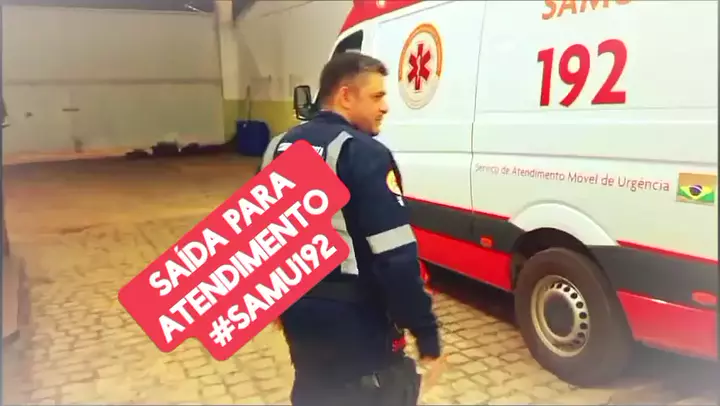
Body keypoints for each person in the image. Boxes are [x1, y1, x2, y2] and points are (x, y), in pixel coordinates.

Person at [258, 52, 445, 406]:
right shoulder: (364, 153)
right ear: (345, 96)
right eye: (377, 96)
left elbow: (264, 242)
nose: (385, 107)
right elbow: (396, 259)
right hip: (359, 331)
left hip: (301, 323)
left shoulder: (276, 149)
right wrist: (427, 335)